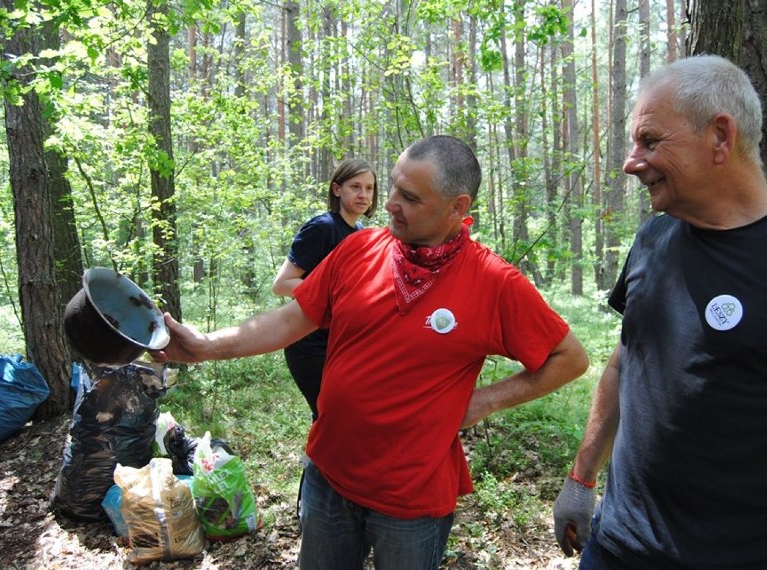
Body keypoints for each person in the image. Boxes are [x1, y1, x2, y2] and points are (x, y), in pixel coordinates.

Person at [153, 135, 589, 570]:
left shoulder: (493, 282)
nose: (391, 203)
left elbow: (569, 358)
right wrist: (206, 346)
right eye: (394, 187)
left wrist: (481, 402)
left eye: (410, 197)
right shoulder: (359, 250)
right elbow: (288, 321)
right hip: (329, 476)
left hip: (411, 500)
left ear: (458, 207)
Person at [552, 55, 767, 570]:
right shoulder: (653, 238)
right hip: (615, 549)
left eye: (651, 141)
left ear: (720, 138)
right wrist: (580, 479)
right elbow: (623, 361)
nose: (630, 162)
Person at [272, 158, 378, 420]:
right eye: (355, 186)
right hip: (308, 344)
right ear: (337, 189)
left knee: (341, 419)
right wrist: (335, 299)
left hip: (339, 343)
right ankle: (315, 462)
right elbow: (282, 284)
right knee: (331, 419)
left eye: (369, 188)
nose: (363, 194)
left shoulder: (359, 231)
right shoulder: (323, 228)